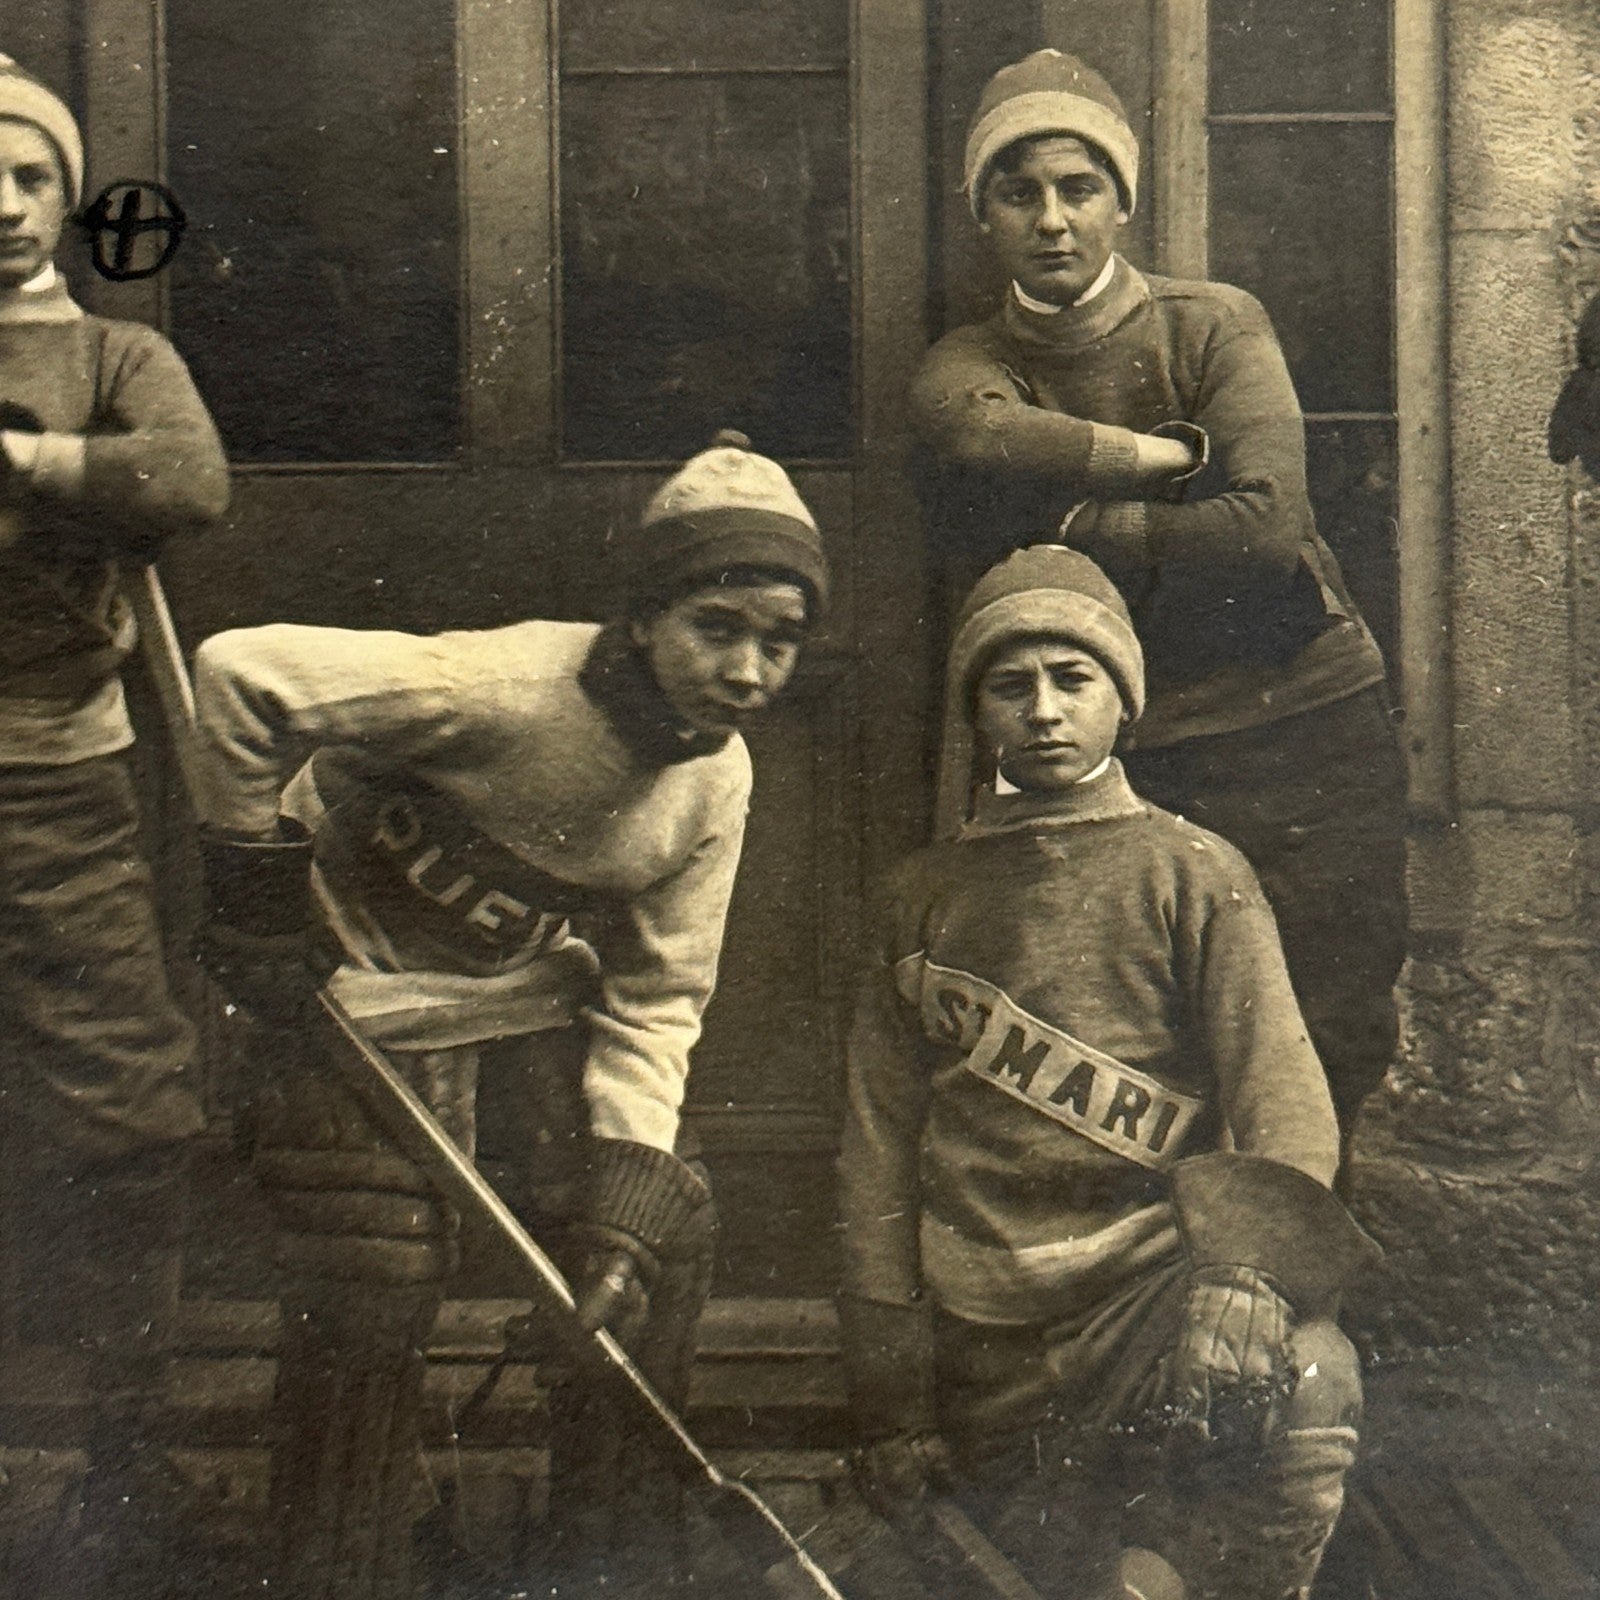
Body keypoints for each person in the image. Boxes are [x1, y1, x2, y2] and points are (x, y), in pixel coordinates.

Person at [190, 431, 828, 1599]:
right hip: (334, 995)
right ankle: (339, 1574)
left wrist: (622, 1207)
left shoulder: (714, 778)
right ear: (643, 618)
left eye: (776, 642)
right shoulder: (494, 689)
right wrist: (254, 898)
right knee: (371, 1260)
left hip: (513, 1001)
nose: (745, 670)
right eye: (716, 628)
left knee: (657, 1230)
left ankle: (607, 1567)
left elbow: (658, 996)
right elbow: (238, 674)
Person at [837, 544, 1380, 1600]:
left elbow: (1285, 1105)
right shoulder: (921, 896)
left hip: (1149, 1303)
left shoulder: (1192, 870)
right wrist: (889, 1394)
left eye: (1072, 679)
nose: (1043, 710)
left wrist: (1244, 1275)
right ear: (975, 711)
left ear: (1121, 702)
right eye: (1011, 684)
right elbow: (875, 1148)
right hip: (982, 1325)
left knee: (1309, 1378)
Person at [912, 49, 1406, 1149]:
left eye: (1078, 188)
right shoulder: (968, 359)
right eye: (1018, 190)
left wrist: (1073, 526)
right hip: (1138, 750)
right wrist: (1154, 458)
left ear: (1123, 201)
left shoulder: (1215, 324)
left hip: (1303, 729)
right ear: (981, 213)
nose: (1051, 219)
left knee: (1329, 1027)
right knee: (1148, 1043)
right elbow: (974, 431)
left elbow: (1262, 533)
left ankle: (1299, 1303)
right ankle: (1167, 1309)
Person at [0, 55, 230, 1597]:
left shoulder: (115, 354)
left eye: (25, 174)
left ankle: (127, 1453)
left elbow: (190, 480)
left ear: (69, 199)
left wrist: (28, 462)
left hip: (57, 775)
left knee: (127, 1104)